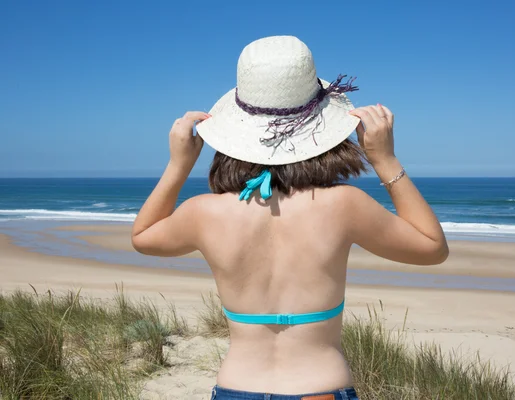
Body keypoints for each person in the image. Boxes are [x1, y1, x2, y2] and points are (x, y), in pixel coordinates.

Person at [132, 36, 448, 400]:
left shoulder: (205, 212)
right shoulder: (344, 205)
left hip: (238, 387)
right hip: (320, 389)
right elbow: (432, 247)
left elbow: (143, 236)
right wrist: (385, 160)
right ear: (322, 128)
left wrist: (178, 165)